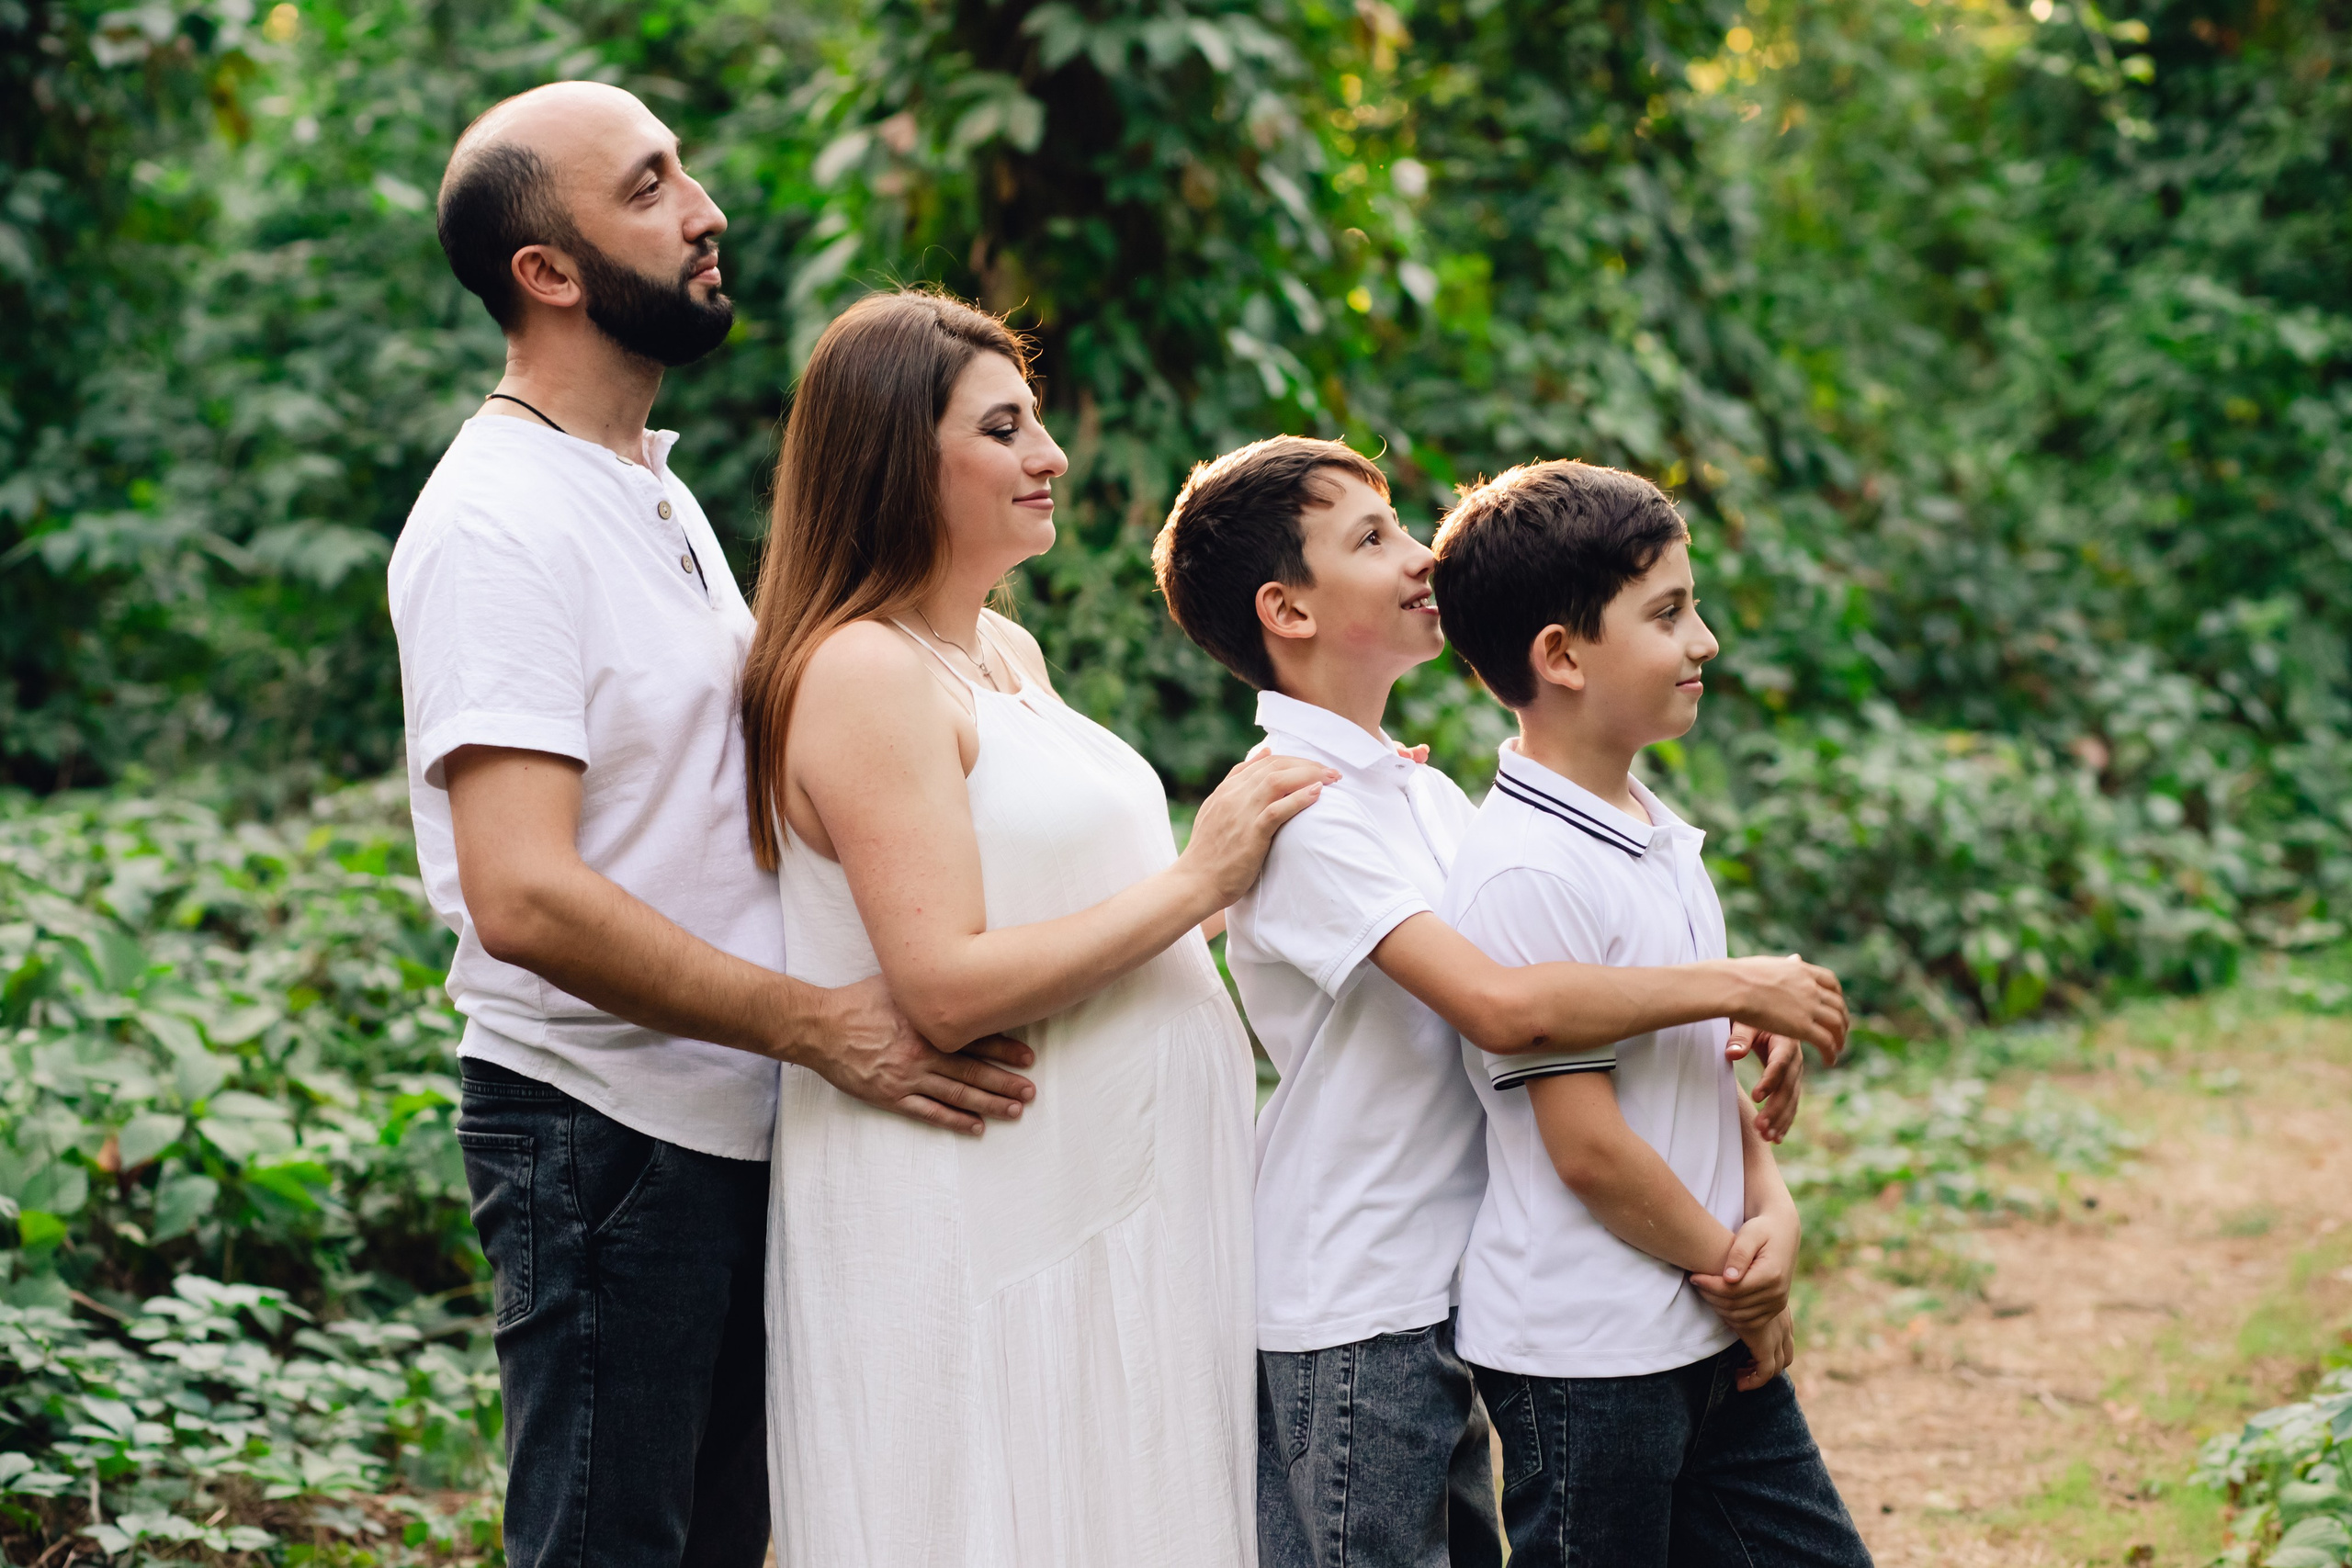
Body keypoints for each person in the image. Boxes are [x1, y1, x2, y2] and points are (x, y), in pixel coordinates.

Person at [391, 87, 1035, 1568]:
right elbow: (524, 893)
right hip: (602, 1133)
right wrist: (817, 1021)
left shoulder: (648, 489)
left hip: (724, 1120)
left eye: (687, 169)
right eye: (651, 186)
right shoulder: (497, 520)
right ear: (547, 270)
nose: (707, 208)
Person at [1149, 436, 1851, 1568]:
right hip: (1358, 1295)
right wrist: (1740, 983)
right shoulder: (1304, 809)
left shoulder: (1419, 794)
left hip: (1454, 1274)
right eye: (1372, 538)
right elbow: (1504, 1006)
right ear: (1287, 609)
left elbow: (1572, 981)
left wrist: (1712, 1020)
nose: (1421, 556)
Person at [739, 288, 1329, 1568]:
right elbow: (946, 984)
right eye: (1004, 428)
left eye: (1037, 421)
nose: (1049, 456)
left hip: (1123, 1197)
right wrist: (1196, 874)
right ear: (899, 459)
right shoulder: (860, 671)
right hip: (986, 1211)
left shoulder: (1004, 650)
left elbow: (1081, 908)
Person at [1430, 459, 1873, 1567]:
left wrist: (1770, 1210)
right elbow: (1586, 1149)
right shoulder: (1522, 872)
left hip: (1698, 1315)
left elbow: (1691, 1067)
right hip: (1588, 1353)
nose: (1703, 639)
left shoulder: (1645, 821)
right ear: (1561, 656)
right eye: (1667, 612)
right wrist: (1733, 1272)